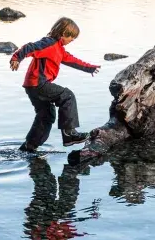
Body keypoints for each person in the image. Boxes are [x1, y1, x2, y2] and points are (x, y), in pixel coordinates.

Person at [10, 17, 101, 152]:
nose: (72, 41)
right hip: (38, 83)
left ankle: (29, 147)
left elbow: (72, 60)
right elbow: (30, 47)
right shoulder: (49, 43)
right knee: (67, 95)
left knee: (47, 115)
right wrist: (16, 58)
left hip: (33, 86)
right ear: (64, 33)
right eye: (72, 38)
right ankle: (69, 134)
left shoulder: (59, 49)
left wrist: (89, 68)